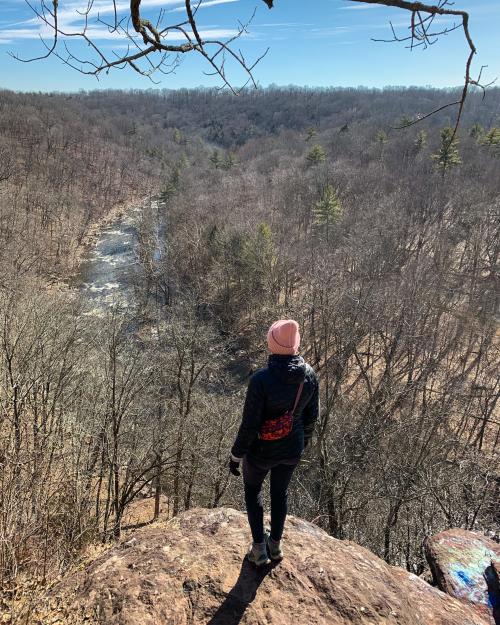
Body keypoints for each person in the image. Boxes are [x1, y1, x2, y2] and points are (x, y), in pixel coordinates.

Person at [229, 319, 319, 566]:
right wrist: (301, 443)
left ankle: (259, 550)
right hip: (292, 448)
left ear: (272, 344)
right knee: (280, 493)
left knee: (253, 491)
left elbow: (250, 424)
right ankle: (275, 546)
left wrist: (236, 455)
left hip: (260, 450)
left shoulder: (261, 380)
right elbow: (312, 417)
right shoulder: (309, 376)